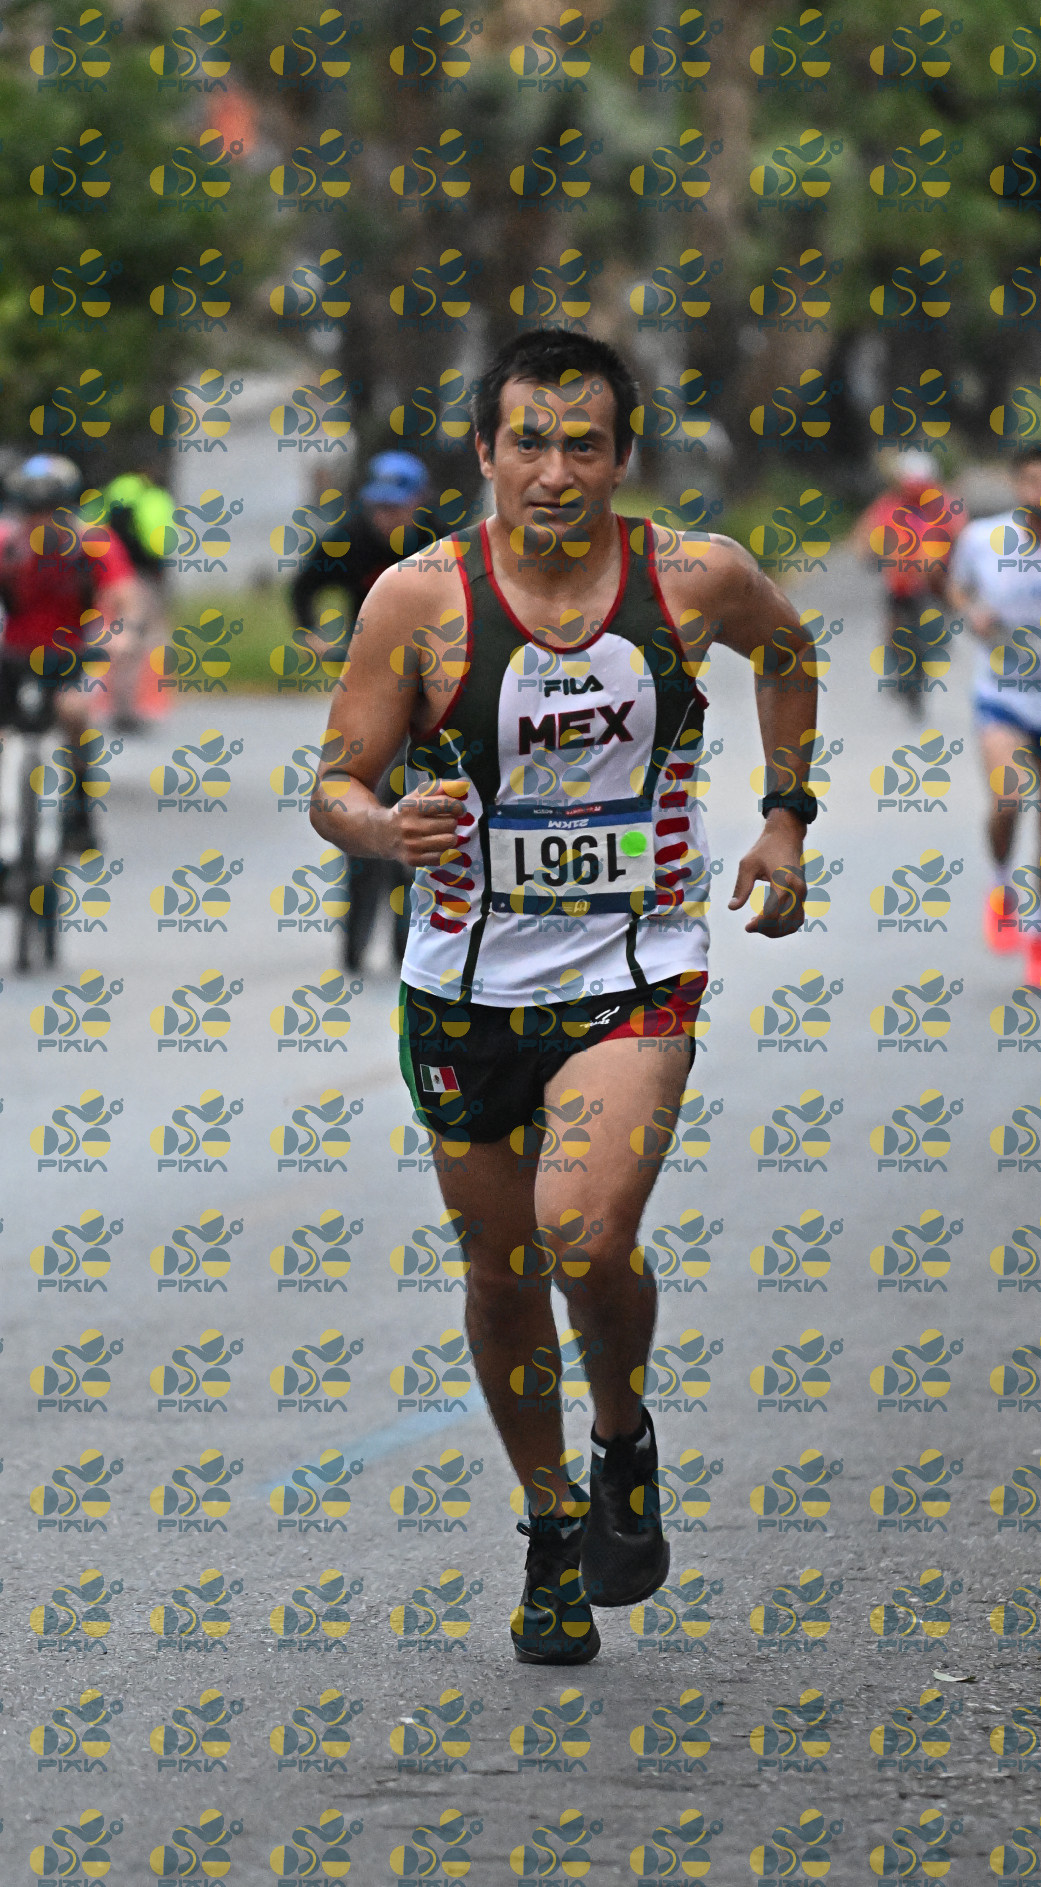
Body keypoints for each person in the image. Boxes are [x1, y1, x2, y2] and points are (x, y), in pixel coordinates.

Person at [309, 328, 816, 1664]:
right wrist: (383, 828)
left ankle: (621, 1434)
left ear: (621, 456)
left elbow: (786, 650)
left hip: (633, 969)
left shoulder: (694, 576)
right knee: (500, 1267)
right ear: (485, 453)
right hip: (464, 985)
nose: (553, 472)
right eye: (527, 443)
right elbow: (335, 780)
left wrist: (784, 818)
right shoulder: (416, 599)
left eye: (582, 444)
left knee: (582, 1234)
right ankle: (550, 1522)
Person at [0, 453, 139, 900]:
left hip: (70, 654)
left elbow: (126, 597)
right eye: (32, 511)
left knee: (74, 714)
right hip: (12, 657)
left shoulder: (94, 544)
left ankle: (80, 809)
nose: (42, 521)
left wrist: (122, 634)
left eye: (52, 510)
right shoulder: (0, 545)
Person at [292, 451, 440, 973]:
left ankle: (414, 925)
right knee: (359, 786)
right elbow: (304, 586)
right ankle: (356, 925)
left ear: (418, 504)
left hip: (431, 678)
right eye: (379, 507)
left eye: (397, 508)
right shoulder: (348, 539)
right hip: (371, 676)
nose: (386, 518)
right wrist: (312, 634)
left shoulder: (440, 544)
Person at [945, 445, 1041, 982]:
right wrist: (972, 612)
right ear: (1015, 484)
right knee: (1008, 801)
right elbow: (956, 587)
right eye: (1031, 480)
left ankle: (1038, 942)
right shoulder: (983, 538)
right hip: (1004, 694)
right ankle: (1001, 882)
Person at [850, 448, 964, 713]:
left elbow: (959, 532)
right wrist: (869, 554)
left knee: (938, 619)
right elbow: (866, 533)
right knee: (894, 624)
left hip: (933, 580)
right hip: (899, 581)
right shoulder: (888, 504)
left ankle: (937, 642)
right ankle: (897, 665)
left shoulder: (943, 504)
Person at [100, 467, 177, 733]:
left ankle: (119, 706)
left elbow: (91, 529)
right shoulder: (153, 497)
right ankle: (130, 710)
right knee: (138, 640)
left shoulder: (114, 490)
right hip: (141, 577)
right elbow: (160, 542)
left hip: (113, 577)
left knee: (119, 639)